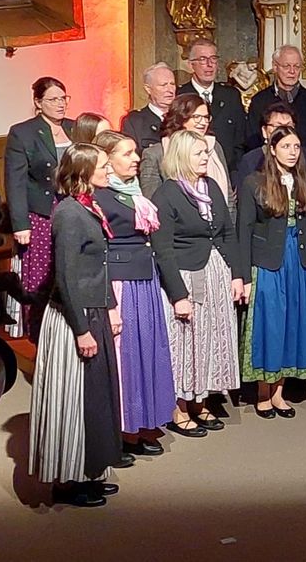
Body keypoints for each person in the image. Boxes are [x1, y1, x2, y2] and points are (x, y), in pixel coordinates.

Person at [28, 143, 122, 507]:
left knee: (95, 397)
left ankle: (90, 470)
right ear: (83, 173)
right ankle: (68, 481)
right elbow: (66, 276)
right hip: (73, 317)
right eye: (102, 166)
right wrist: (81, 329)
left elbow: (98, 265)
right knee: (74, 399)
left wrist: (110, 307)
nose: (109, 171)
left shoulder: (88, 205)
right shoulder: (68, 213)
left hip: (93, 310)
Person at [151, 131, 248, 438]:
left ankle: (201, 400)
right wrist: (178, 295)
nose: (206, 158)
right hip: (186, 276)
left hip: (216, 272)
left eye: (206, 153)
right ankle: (179, 407)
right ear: (181, 157)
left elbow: (227, 234)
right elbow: (162, 249)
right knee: (186, 344)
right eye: (199, 154)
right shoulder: (166, 195)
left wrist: (237, 275)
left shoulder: (211, 188)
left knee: (210, 340)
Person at [92, 131, 174, 458]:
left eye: (135, 152)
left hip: (145, 279)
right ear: (107, 160)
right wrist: (110, 305)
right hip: (122, 282)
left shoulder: (133, 191)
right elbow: (99, 251)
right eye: (127, 153)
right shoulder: (100, 196)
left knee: (145, 353)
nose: (136, 158)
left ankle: (140, 425)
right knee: (125, 358)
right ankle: (122, 431)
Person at [237, 126, 306, 419]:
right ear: (272, 149)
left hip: (300, 260)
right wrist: (245, 277)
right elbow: (243, 231)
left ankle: (279, 393)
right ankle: (263, 392)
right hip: (268, 261)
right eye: (286, 146)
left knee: (292, 324)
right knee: (270, 324)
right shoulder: (254, 182)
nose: (292, 152)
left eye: (296, 147)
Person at [4, 77, 75, 339]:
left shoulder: (75, 127)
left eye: (63, 98)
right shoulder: (23, 132)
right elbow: (16, 181)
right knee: (42, 273)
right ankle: (39, 333)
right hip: (43, 213)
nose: (60, 104)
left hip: (74, 208)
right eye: (53, 99)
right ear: (38, 102)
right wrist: (20, 224)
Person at [138, 94, 234, 215]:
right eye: (197, 117)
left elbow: (229, 198)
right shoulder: (156, 154)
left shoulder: (215, 147)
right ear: (181, 118)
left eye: (206, 117)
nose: (203, 122)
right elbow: (152, 202)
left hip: (217, 226)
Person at [179, 37, 247, 173]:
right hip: (189, 172)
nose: (210, 65)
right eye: (203, 60)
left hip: (227, 172)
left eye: (213, 59)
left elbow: (241, 140)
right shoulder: (180, 96)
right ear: (191, 65)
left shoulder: (231, 96)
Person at [245, 45, 306, 157]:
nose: (292, 71)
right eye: (286, 66)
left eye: (297, 67)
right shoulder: (259, 101)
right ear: (275, 67)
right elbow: (253, 140)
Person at [234, 102, 306, 194]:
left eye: (289, 126)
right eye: (278, 126)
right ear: (264, 131)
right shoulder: (250, 160)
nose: (284, 131)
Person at [122, 63, 177, 151]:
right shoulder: (135, 121)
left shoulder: (183, 116)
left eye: (172, 84)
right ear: (148, 89)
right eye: (163, 85)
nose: (170, 90)